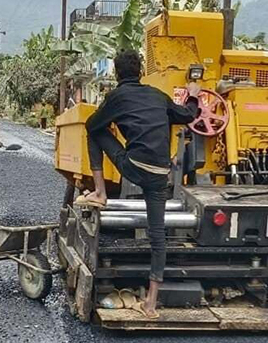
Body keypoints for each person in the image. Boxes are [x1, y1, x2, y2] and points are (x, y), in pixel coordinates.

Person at [76, 50, 199, 318]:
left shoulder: (116, 97)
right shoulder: (158, 96)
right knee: (158, 237)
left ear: (117, 74)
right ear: (141, 71)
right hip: (160, 176)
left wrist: (111, 123)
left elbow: (93, 124)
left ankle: (99, 193)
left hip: (134, 167)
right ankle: (151, 304)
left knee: (93, 131)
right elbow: (188, 115)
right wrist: (194, 92)